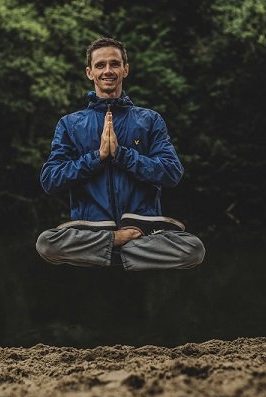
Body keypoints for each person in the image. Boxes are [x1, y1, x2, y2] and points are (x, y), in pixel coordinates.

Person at [36, 38, 205, 271]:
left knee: (193, 249)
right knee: (46, 243)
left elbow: (171, 173)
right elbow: (50, 180)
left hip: (142, 230)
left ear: (125, 69)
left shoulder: (149, 120)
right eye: (100, 65)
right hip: (91, 229)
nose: (108, 70)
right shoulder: (70, 124)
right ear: (89, 72)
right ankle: (117, 244)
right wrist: (98, 157)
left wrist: (121, 155)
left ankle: (105, 252)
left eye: (114, 64)